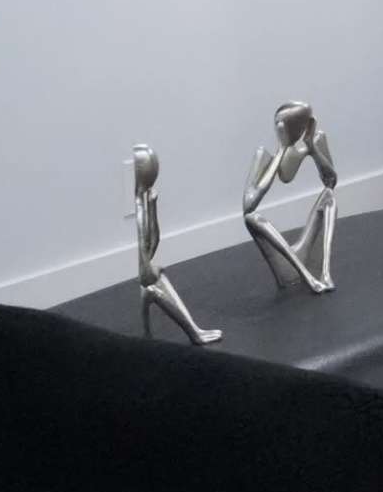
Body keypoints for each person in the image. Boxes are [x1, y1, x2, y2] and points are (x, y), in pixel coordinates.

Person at [241, 100, 340, 293]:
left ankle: (325, 273)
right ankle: (307, 276)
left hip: (307, 248)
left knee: (329, 196)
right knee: (252, 218)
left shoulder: (315, 141)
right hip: (285, 262)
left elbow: (331, 182)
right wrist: (281, 150)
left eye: (301, 125)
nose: (297, 130)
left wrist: (312, 147)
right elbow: (249, 205)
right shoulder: (263, 156)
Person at [131, 147, 220, 344]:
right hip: (148, 286)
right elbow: (144, 271)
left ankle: (194, 331)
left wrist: (153, 206)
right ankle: (194, 333)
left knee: (160, 279)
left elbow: (153, 244)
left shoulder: (143, 203)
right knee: (155, 285)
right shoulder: (139, 210)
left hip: (149, 282)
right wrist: (152, 270)